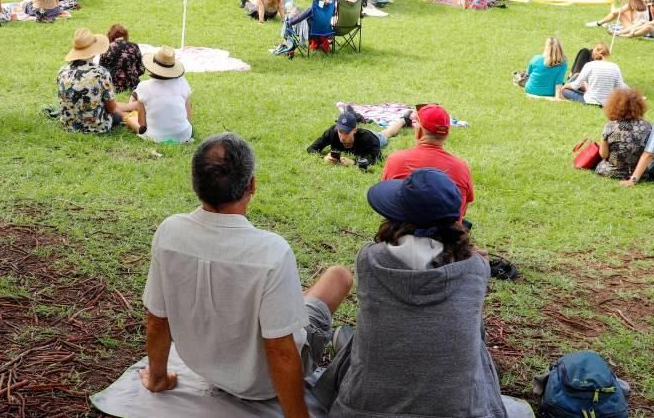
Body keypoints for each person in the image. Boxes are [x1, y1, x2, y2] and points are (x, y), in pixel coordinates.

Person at [139, 133, 353, 410]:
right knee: (339, 276)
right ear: (252, 185)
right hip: (263, 385)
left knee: (288, 298)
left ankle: (292, 302)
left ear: (196, 184)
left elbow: (157, 319)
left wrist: (157, 378)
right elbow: (282, 352)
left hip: (202, 366)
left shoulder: (169, 232)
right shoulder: (271, 252)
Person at [312, 168, 512, 418]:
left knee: (364, 337)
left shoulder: (369, 260)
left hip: (360, 410)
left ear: (395, 215)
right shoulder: (477, 268)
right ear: (454, 221)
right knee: (475, 337)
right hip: (464, 411)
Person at [381, 104, 474, 220]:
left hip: (402, 232)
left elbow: (386, 201)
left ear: (419, 130)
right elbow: (462, 210)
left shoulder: (396, 160)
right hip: (447, 235)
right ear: (446, 134)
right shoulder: (461, 167)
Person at [56, 28, 126, 135]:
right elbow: (111, 108)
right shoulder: (101, 73)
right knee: (118, 116)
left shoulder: (62, 71)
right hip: (96, 127)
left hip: (68, 124)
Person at [126, 46, 192, 143]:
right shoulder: (183, 82)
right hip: (184, 134)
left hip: (155, 137)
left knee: (131, 119)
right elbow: (188, 115)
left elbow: (142, 122)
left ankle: (140, 130)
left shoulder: (143, 87)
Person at [307, 108, 408, 170]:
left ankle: (404, 120)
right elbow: (312, 148)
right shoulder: (333, 132)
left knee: (386, 134)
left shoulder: (368, 138)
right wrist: (324, 158)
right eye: (340, 132)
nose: (342, 137)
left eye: (346, 133)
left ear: (354, 130)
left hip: (374, 136)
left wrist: (354, 162)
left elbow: (377, 158)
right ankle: (351, 114)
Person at [596, 88, 653, 179]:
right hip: (640, 174)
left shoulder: (610, 126)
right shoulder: (648, 127)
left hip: (611, 171)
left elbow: (604, 155)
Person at [561, 43, 625, 106]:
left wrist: (564, 87)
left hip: (590, 100)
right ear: (607, 54)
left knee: (565, 90)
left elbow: (576, 85)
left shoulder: (589, 65)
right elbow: (621, 86)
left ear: (593, 54)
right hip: (606, 102)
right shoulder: (615, 67)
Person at [98, 24, 145, 93]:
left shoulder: (107, 48)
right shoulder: (134, 46)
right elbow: (141, 69)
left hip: (113, 86)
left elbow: (101, 70)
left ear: (111, 35)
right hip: (133, 85)